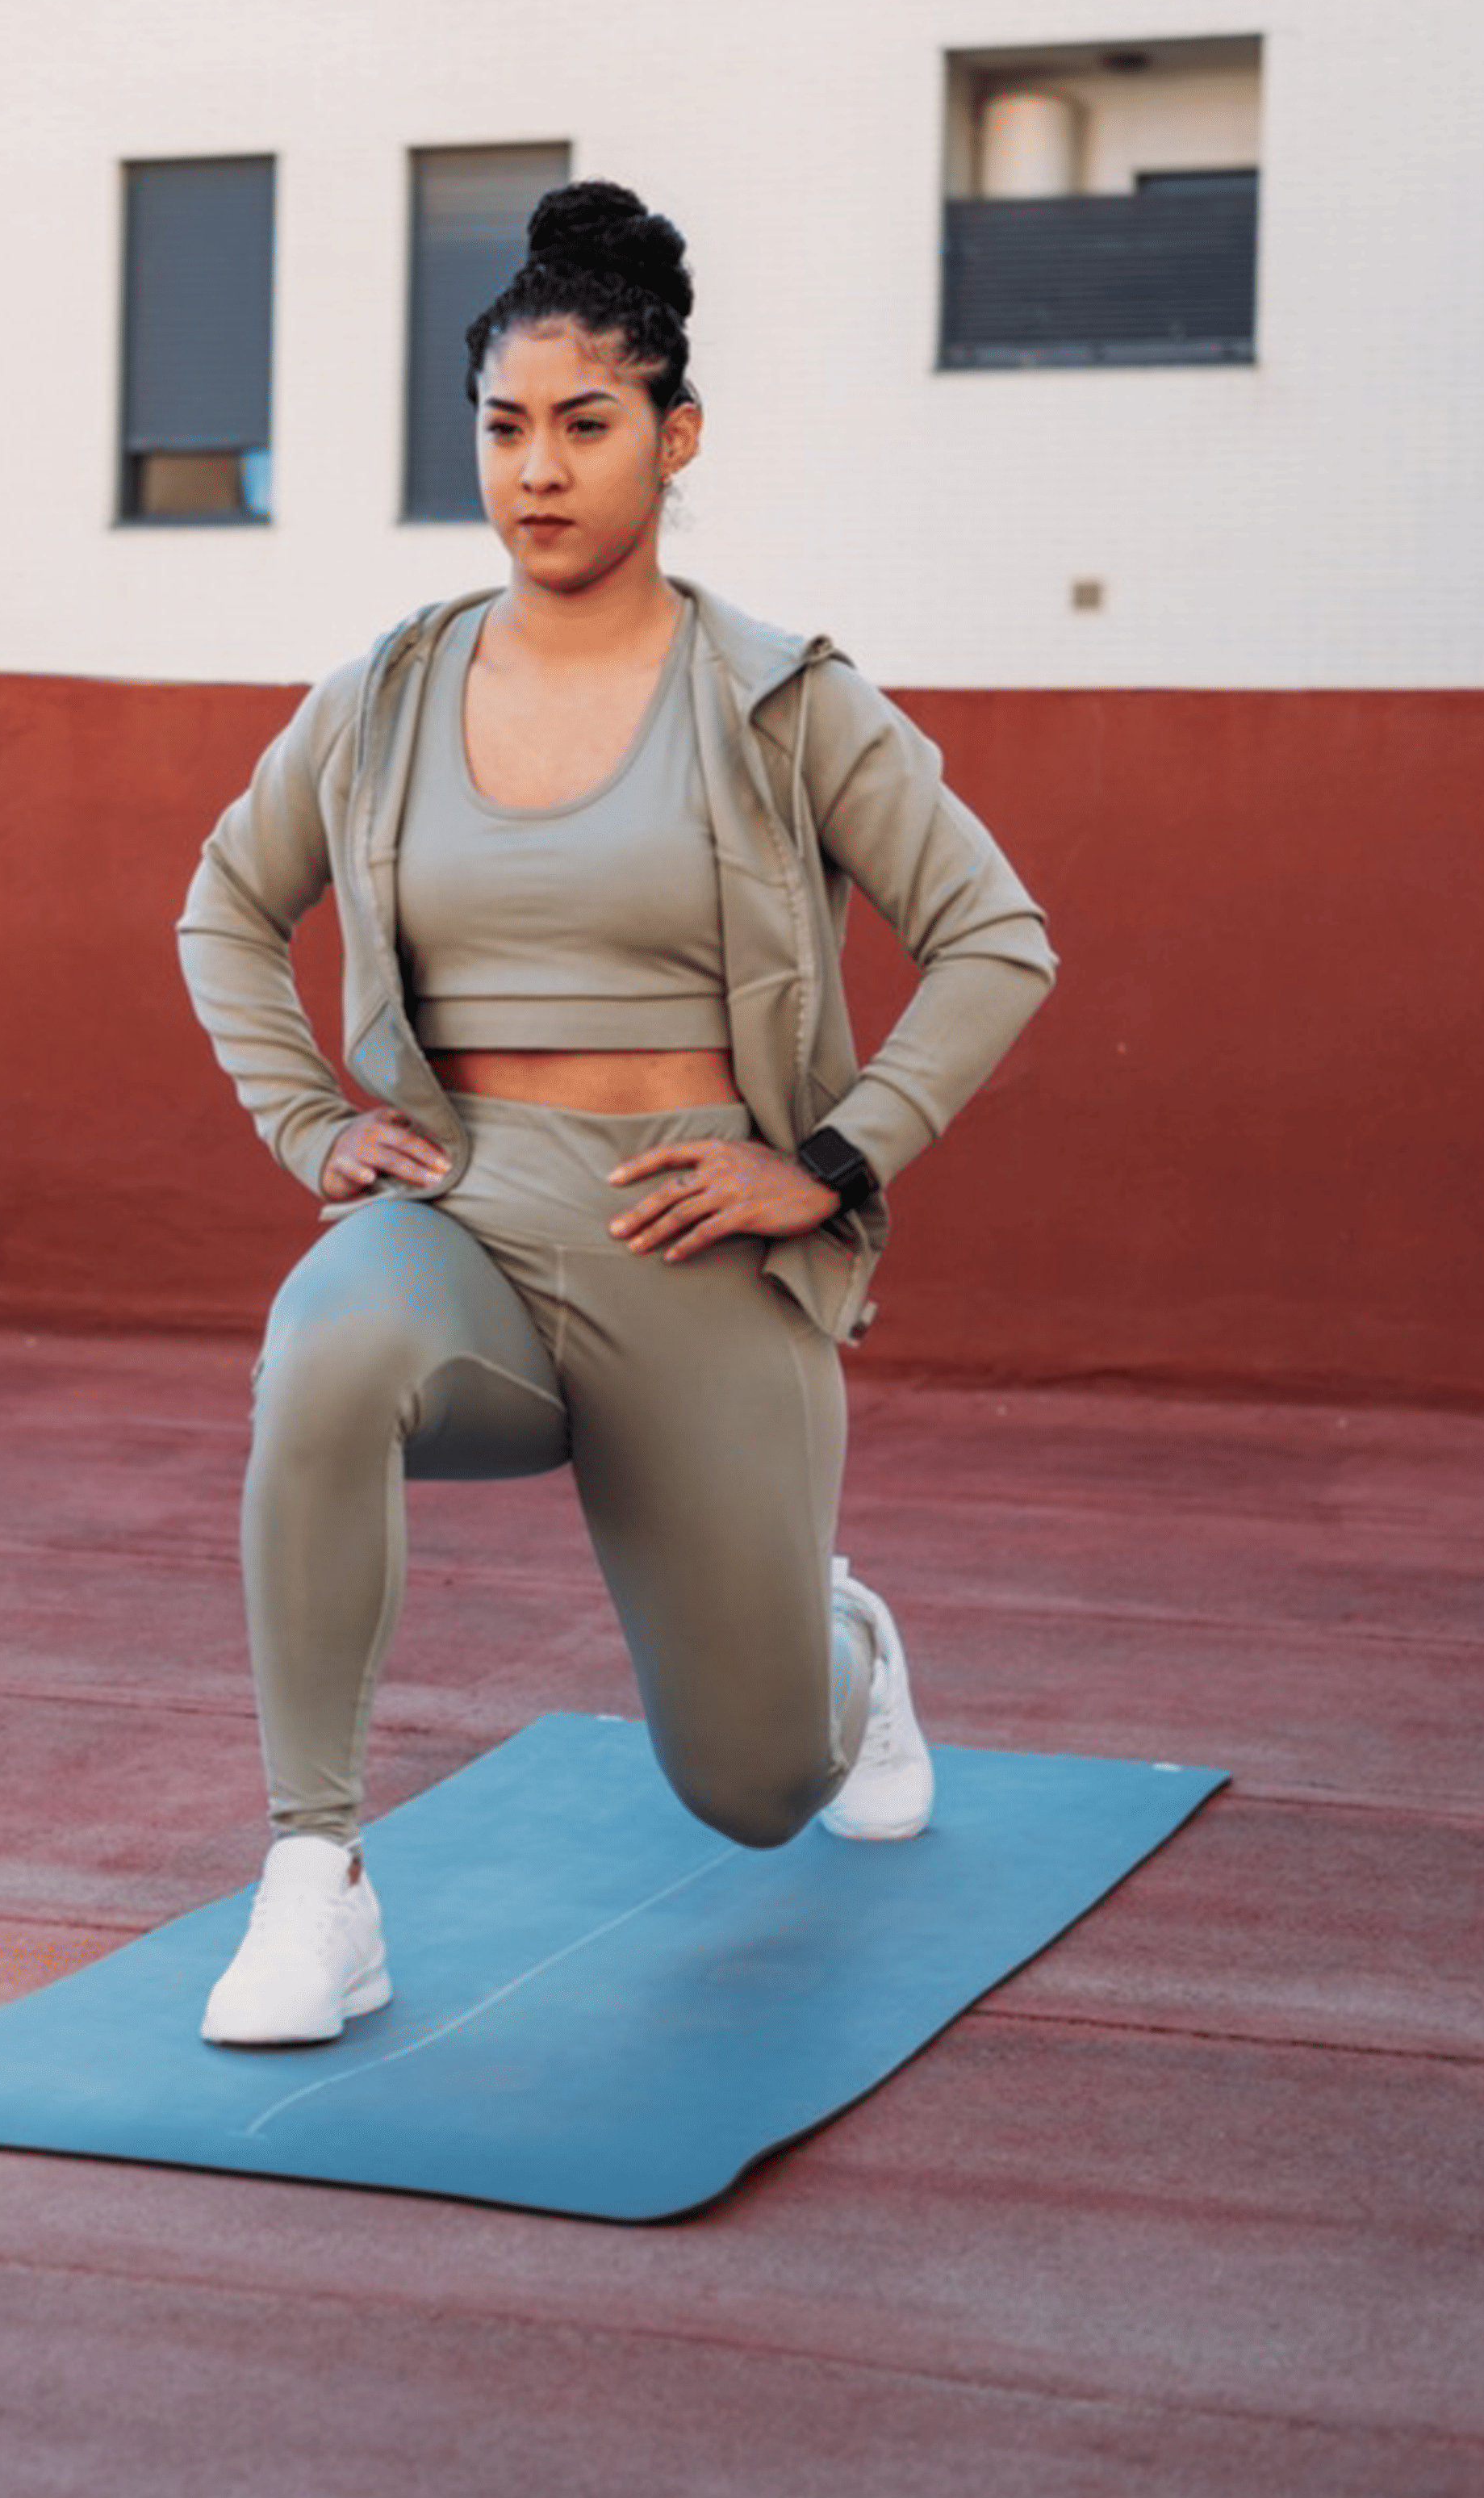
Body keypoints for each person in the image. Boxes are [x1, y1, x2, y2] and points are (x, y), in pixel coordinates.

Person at [175, 180, 1054, 2045]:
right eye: (505, 427)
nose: (539, 471)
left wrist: (825, 1165)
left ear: (678, 435)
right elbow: (227, 906)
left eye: (586, 425)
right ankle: (316, 1880)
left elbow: (997, 938)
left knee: (756, 1789)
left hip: (694, 1243)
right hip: (465, 1224)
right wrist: (308, 1122)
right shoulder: (384, 695)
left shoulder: (785, 700)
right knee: (324, 1350)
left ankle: (843, 1642)